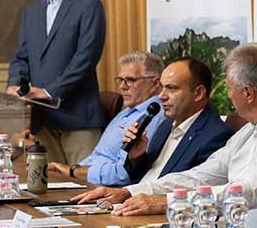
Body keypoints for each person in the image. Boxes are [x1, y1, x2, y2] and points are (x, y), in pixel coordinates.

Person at [83, 43, 257, 228]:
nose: (228, 95)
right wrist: (131, 192)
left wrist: (166, 202)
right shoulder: (249, 131)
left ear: (248, 93)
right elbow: (200, 176)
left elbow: (247, 191)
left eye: (229, 89)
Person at [71, 56, 233, 197]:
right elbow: (144, 174)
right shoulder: (166, 124)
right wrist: (136, 157)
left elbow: (195, 190)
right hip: (129, 199)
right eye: (162, 87)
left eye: (172, 88)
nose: (162, 96)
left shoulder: (216, 136)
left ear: (198, 93)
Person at [6, 0, 106, 164]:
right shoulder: (31, 13)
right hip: (42, 120)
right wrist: (14, 85)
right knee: (48, 181)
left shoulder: (89, 6)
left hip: (78, 118)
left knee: (83, 181)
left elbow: (86, 58)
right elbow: (22, 57)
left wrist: (49, 92)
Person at [48, 51, 165, 184]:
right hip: (86, 179)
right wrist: (70, 170)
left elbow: (123, 173)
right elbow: (97, 155)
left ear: (154, 84)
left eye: (130, 80)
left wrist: (72, 171)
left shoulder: (154, 116)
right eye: (121, 80)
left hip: (107, 189)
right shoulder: (127, 111)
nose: (122, 86)